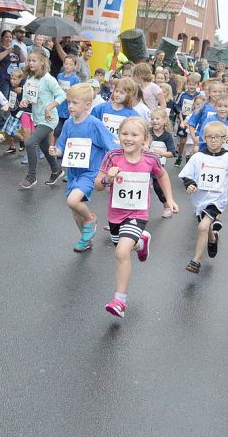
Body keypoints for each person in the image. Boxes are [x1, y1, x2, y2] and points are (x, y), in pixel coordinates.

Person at [94, 116, 177, 317]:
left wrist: (170, 200)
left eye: (134, 134)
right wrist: (108, 179)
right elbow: (97, 185)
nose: (128, 138)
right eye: (124, 134)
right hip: (115, 215)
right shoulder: (113, 156)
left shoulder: (150, 158)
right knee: (122, 245)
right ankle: (141, 242)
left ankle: (119, 301)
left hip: (138, 213)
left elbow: (162, 175)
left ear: (144, 138)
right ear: (118, 135)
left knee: (122, 252)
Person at [51, 83, 119, 253]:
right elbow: (62, 148)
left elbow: (110, 146)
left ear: (87, 105)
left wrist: (114, 167)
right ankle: (85, 238)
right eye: (69, 102)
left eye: (75, 103)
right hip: (74, 172)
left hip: (91, 172)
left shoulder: (94, 124)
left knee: (73, 201)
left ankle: (91, 220)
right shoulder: (68, 124)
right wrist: (55, 151)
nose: (70, 106)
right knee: (75, 210)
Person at [179, 120, 228, 274]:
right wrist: (189, 184)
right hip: (199, 199)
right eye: (209, 137)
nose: (213, 140)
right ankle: (212, 239)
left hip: (217, 199)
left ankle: (196, 261)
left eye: (217, 137)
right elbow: (187, 175)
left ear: (224, 138)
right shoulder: (198, 157)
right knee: (205, 227)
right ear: (204, 138)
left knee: (202, 226)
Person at [18, 49, 66, 189]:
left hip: (49, 118)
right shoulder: (30, 79)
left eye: (34, 60)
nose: (30, 63)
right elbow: (28, 98)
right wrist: (24, 102)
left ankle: (31, 177)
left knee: (30, 142)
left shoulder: (48, 79)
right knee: (45, 147)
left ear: (42, 62)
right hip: (38, 118)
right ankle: (56, 171)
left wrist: (49, 107)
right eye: (29, 60)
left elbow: (62, 95)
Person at [91, 77, 142, 144]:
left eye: (121, 93)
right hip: (101, 150)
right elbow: (91, 128)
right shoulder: (100, 108)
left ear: (129, 95)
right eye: (116, 91)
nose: (117, 95)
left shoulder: (133, 116)